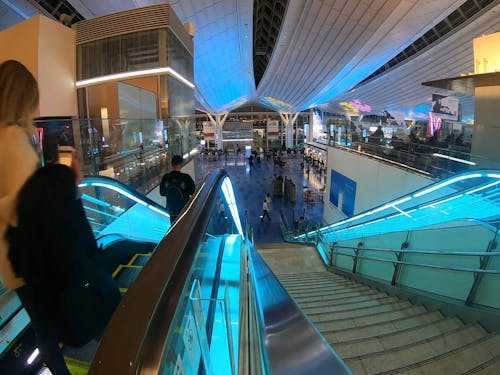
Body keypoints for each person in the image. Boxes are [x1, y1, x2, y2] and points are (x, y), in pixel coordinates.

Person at [0, 60, 68, 374]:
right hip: (28, 259)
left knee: (44, 325)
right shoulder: (11, 139)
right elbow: (22, 205)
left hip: (11, 260)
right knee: (50, 325)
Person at [160, 155, 196, 223]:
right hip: (184, 209)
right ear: (181, 164)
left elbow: (162, 193)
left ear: (171, 164)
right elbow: (192, 191)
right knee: (185, 226)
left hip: (172, 210)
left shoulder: (165, 177)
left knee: (174, 226)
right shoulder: (186, 177)